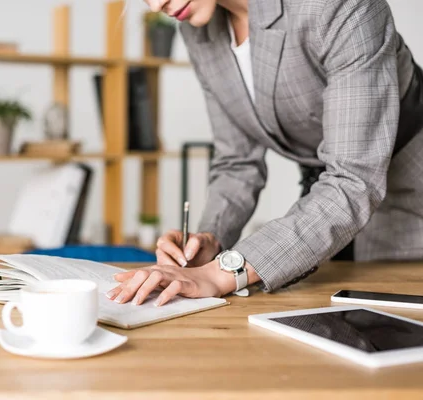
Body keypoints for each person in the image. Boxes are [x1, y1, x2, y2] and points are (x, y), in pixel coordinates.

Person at [107, 0, 423, 307]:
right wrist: (210, 241)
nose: (155, 5)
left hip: (410, 201)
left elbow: (353, 179)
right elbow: (237, 164)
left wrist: (224, 272)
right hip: (325, 208)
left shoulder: (336, 5)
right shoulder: (198, 31)